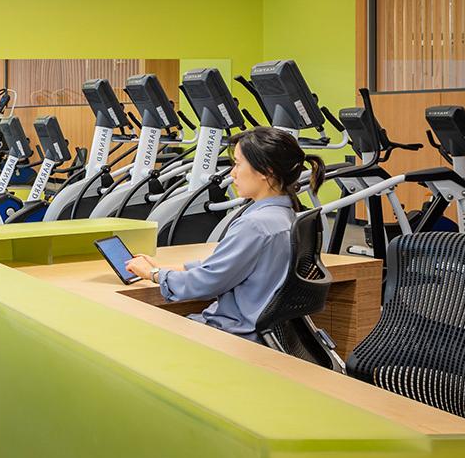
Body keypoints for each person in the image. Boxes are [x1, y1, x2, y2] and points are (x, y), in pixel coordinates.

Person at [125, 125, 325, 341]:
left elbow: (205, 283)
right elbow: (226, 268)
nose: (232, 173)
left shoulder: (255, 225)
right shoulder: (285, 216)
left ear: (267, 172)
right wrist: (166, 267)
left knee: (133, 328)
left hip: (231, 334)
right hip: (259, 330)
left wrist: (153, 274)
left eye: (238, 164)